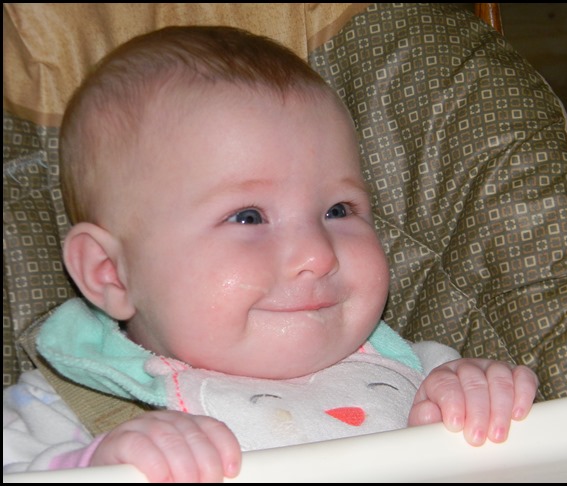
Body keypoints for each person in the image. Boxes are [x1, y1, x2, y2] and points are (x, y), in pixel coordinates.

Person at [3, 26, 538, 482]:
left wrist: (486, 414)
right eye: (248, 217)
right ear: (110, 274)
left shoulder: (426, 378)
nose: (316, 254)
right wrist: (101, 466)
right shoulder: (57, 411)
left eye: (339, 210)